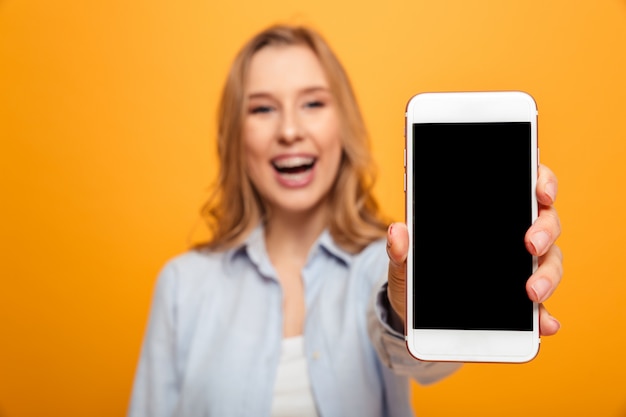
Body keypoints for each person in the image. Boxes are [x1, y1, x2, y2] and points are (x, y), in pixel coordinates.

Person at [128, 24, 563, 417]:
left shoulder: (389, 264)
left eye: (313, 103)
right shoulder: (182, 286)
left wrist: (415, 303)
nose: (290, 130)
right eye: (262, 109)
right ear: (235, 134)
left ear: (343, 124)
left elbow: (426, 362)